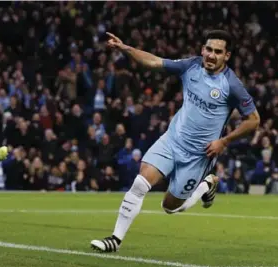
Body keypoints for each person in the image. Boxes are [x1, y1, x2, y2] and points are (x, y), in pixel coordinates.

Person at [90, 30, 260, 252]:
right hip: (173, 140)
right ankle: (115, 239)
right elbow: (154, 62)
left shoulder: (232, 85)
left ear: (227, 56)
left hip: (199, 155)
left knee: (169, 207)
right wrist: (126, 49)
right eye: (208, 49)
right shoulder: (191, 66)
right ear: (202, 49)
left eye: (218, 52)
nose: (211, 55)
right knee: (141, 182)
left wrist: (224, 142)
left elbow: (254, 120)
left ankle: (205, 185)